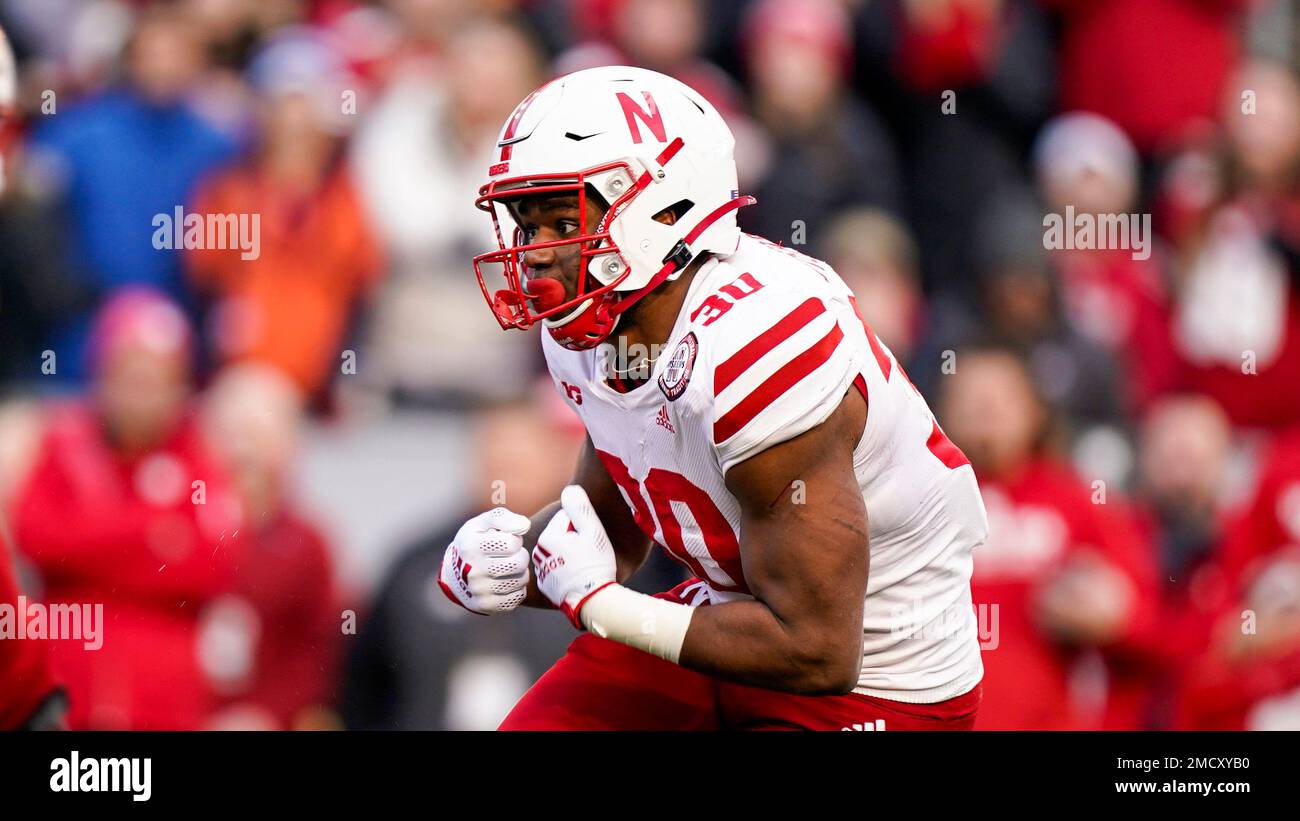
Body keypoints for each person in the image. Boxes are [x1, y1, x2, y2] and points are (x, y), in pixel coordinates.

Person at [445, 66, 988, 730]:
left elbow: (818, 649)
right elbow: (613, 529)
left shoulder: (761, 341)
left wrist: (604, 606)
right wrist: (516, 563)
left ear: (664, 210)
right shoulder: (594, 330)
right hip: (727, 625)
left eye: (561, 219)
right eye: (527, 224)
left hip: (877, 681)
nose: (533, 254)